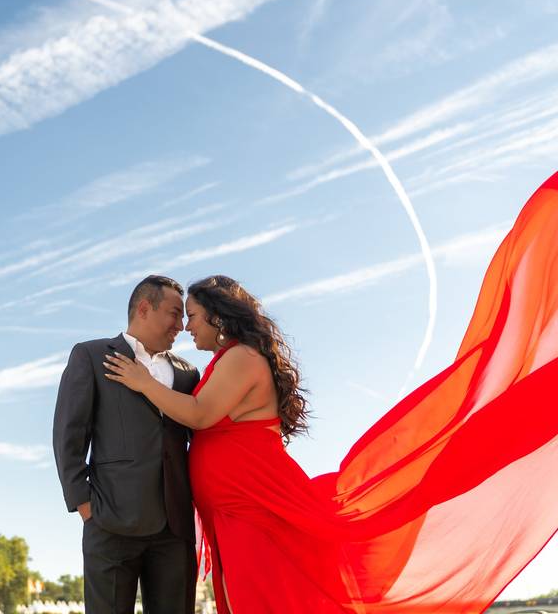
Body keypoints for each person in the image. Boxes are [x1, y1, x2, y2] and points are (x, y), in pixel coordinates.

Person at [102, 175, 558, 613]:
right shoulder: (225, 361)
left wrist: (142, 382)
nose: (188, 326)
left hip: (254, 510)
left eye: (195, 316)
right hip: (236, 512)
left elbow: (200, 415)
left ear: (219, 318)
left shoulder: (241, 357)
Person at [53, 275, 200, 614]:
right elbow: (68, 436)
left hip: (175, 530)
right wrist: (84, 505)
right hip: (110, 524)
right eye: (174, 313)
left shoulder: (188, 374)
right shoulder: (91, 355)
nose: (181, 324)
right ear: (145, 308)